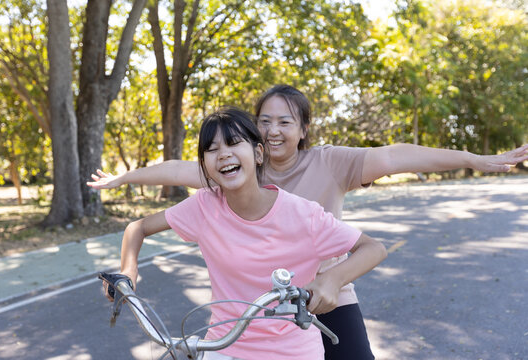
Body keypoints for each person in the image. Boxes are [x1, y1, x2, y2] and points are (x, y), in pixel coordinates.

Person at [91, 85, 528, 359]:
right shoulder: (228, 173)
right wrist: (123, 178)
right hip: (245, 313)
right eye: (264, 121)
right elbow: (170, 172)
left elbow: (395, 156)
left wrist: (475, 159)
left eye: (286, 121)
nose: (273, 129)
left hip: (322, 293)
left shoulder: (330, 162)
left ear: (303, 129)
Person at [102, 106, 387, 360]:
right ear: (206, 165)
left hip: (292, 352)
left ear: (258, 153)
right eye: (211, 149)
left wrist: (332, 280)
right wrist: (129, 272)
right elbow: (137, 228)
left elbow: (373, 248)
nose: (223, 153)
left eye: (234, 143)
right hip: (222, 347)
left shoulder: (303, 214)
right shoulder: (204, 206)